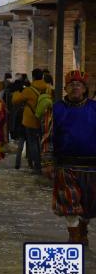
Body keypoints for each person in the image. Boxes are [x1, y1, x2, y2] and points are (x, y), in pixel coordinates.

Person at [42, 70, 95, 245]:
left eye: (78, 85)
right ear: (65, 88)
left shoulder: (94, 108)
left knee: (88, 206)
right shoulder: (56, 109)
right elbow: (47, 137)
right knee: (70, 202)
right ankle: (74, 236)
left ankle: (82, 229)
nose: (75, 88)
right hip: (66, 165)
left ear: (85, 88)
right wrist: (48, 162)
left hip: (92, 167)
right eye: (71, 85)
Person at [13, 68, 50, 174]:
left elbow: (15, 100)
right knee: (40, 143)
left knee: (33, 143)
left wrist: (16, 91)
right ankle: (41, 164)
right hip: (43, 119)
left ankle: (37, 166)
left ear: (33, 77)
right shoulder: (47, 88)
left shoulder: (29, 90)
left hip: (30, 120)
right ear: (42, 76)